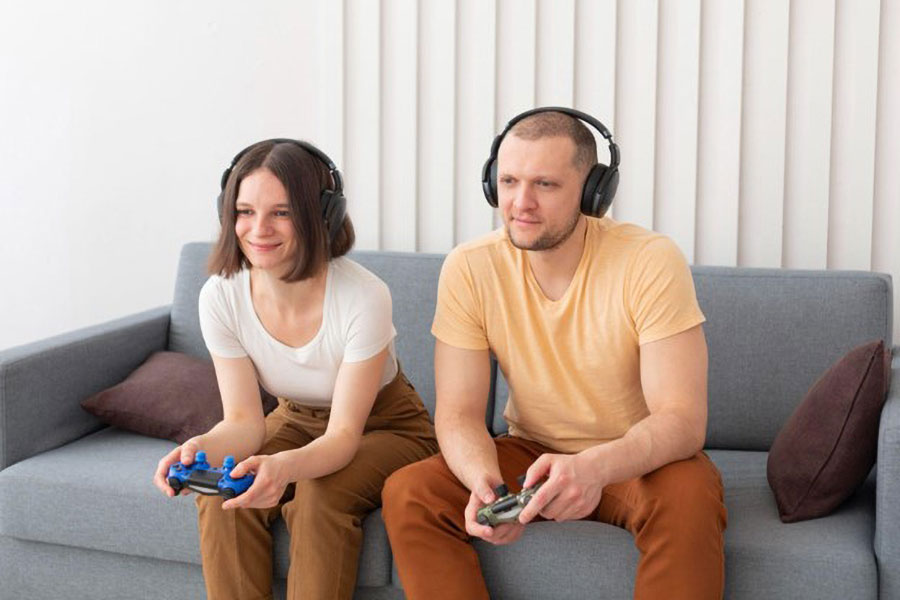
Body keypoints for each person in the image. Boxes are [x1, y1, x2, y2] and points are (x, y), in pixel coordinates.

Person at [381, 108, 727, 600]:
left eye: (545, 184)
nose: (521, 203)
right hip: (530, 454)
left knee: (690, 496)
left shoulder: (649, 261)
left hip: (636, 458)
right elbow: (458, 414)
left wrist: (595, 468)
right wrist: (485, 485)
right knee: (409, 492)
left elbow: (683, 419)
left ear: (593, 193)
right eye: (508, 181)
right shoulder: (470, 267)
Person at [152, 139, 438, 600]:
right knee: (225, 491)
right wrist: (198, 448)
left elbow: (343, 436)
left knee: (318, 496)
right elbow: (244, 421)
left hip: (387, 426)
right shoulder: (220, 296)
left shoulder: (363, 297)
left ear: (321, 215)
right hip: (294, 416)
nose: (258, 229)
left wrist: (283, 467)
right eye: (244, 211)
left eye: (281, 213)